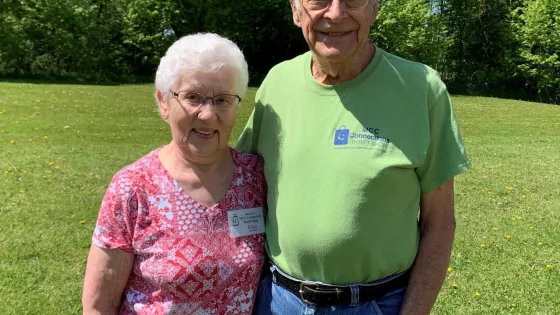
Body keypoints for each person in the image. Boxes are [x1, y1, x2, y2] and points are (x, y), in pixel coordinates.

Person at [236, 0, 471, 314]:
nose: (335, 13)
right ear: (295, 10)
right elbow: (238, 185)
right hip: (278, 301)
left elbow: (439, 221)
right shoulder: (277, 83)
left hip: (376, 304)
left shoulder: (421, 89)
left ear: (374, 9)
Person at [82, 33, 267, 315]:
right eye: (193, 97)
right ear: (164, 102)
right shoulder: (133, 187)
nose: (207, 114)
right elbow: (98, 306)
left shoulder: (255, 178)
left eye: (222, 100)